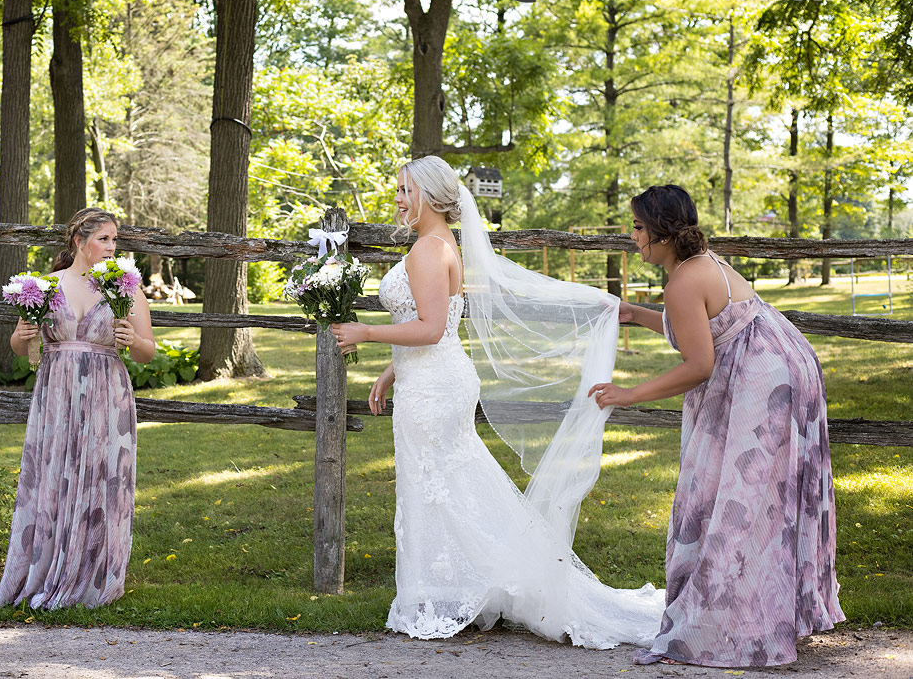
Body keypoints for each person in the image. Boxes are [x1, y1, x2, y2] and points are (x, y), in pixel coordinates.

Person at [331, 156, 664, 646]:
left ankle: (466, 591)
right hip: (431, 379)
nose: (398, 199)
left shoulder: (428, 249)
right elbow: (439, 326)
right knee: (451, 485)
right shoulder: (442, 244)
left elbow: (429, 327)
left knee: (440, 486)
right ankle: (470, 586)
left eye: (405, 190)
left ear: (428, 194)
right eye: (398, 190)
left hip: (435, 389)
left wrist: (366, 331)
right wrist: (392, 372)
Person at [588, 184, 845, 667]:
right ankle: (762, 609)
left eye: (639, 227)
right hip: (785, 367)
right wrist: (634, 314)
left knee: (739, 499)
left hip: (764, 381)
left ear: (662, 233)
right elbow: (704, 323)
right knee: (762, 499)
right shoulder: (702, 262)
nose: (632, 236)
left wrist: (629, 393)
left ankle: (734, 620)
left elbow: (698, 363)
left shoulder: (681, 280)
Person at [0, 208, 154, 609]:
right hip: (57, 396)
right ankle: (46, 569)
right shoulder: (44, 287)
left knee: (102, 480)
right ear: (78, 241)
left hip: (107, 394)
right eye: (105, 239)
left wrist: (131, 337)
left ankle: (93, 575)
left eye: (115, 239)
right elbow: (22, 351)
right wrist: (19, 334)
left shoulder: (124, 287)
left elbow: (147, 353)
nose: (112, 247)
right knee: (54, 476)